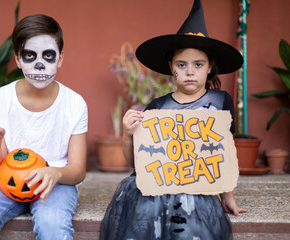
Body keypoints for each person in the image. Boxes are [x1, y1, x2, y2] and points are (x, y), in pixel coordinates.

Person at [100, 0, 248, 239]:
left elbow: (223, 155)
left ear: (210, 67)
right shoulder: (157, 107)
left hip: (198, 184)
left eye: (198, 64)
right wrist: (127, 135)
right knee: (145, 219)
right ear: (171, 67)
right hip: (158, 184)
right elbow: (137, 163)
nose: (190, 71)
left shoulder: (221, 103)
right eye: (182, 64)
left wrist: (227, 197)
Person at [0, 14, 88, 240]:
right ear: (17, 59)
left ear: (60, 58)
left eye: (48, 56)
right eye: (30, 56)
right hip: (7, 181)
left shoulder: (74, 103)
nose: (39, 64)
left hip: (56, 182)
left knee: (52, 226)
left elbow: (77, 171)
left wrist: (55, 172)